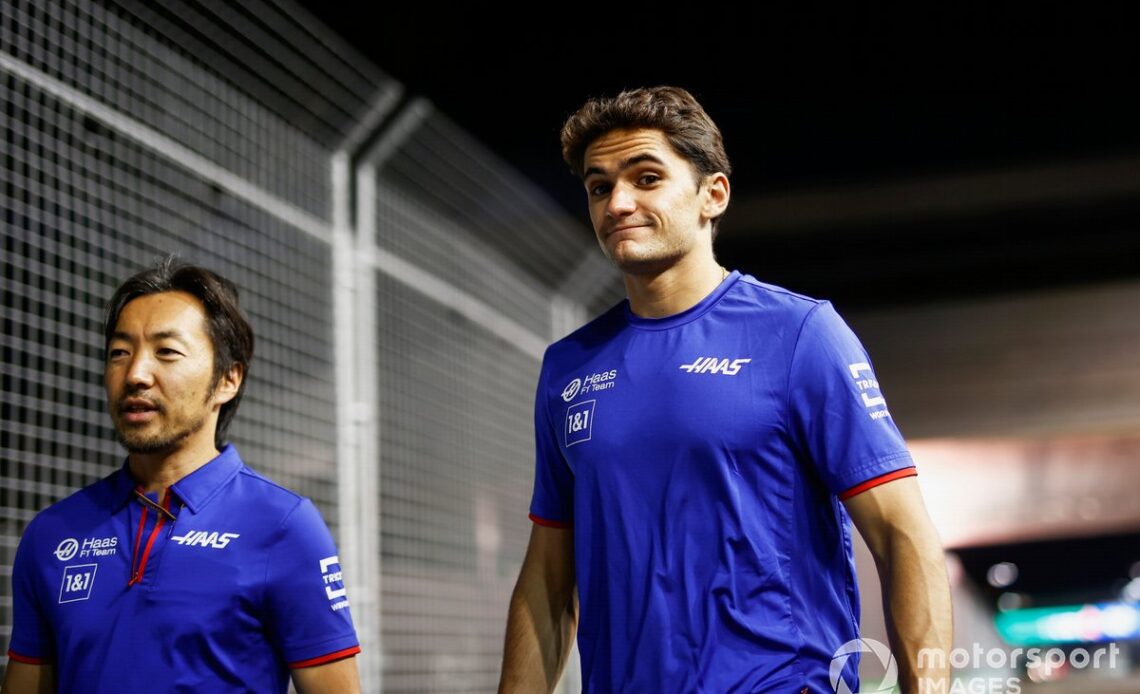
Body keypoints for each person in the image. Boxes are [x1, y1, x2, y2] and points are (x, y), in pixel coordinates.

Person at [499, 87, 952, 693]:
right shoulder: (568, 366)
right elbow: (548, 580)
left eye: (647, 177)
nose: (618, 203)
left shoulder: (798, 333)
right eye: (599, 186)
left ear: (713, 194)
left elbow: (903, 535)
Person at [3, 257, 361, 693]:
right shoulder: (52, 534)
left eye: (166, 352)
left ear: (228, 379)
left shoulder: (283, 526)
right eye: (119, 353)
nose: (135, 374)